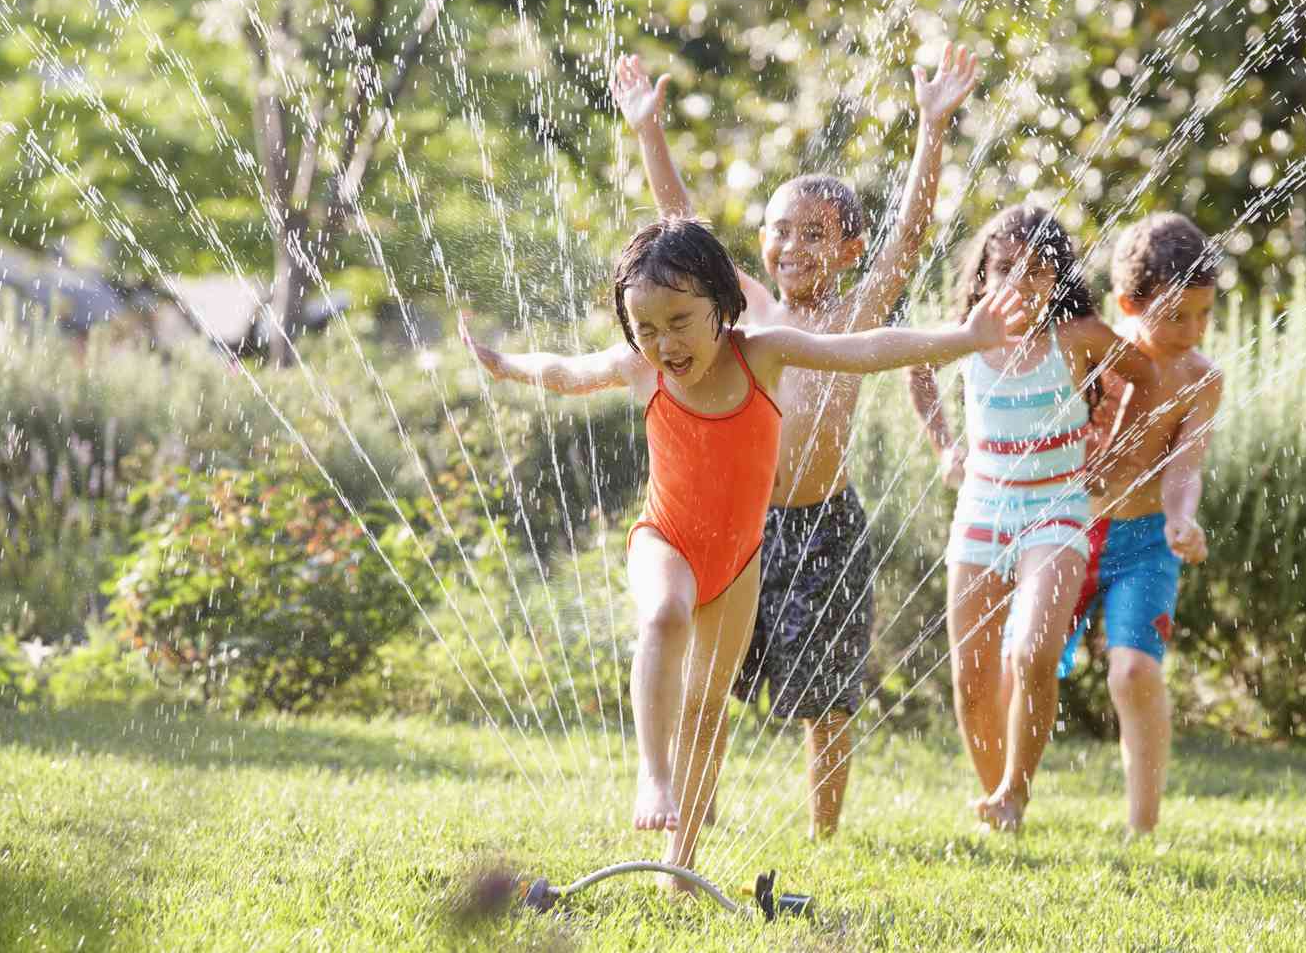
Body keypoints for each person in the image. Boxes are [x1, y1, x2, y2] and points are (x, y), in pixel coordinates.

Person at [461, 217, 1022, 887]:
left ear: (723, 308)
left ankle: (679, 864)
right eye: (645, 328)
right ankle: (652, 775)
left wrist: (965, 338)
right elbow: (564, 371)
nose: (664, 343)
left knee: (705, 708)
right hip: (664, 538)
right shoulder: (641, 370)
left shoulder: (763, 354)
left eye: (679, 321)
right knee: (665, 614)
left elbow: (867, 348)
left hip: (738, 564)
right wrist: (506, 365)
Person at [611, 43, 980, 838]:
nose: (792, 248)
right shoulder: (741, 311)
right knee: (707, 679)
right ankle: (690, 810)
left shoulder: (854, 315)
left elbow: (911, 235)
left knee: (828, 690)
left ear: (850, 249)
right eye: (780, 231)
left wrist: (932, 127)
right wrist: (650, 135)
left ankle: (823, 833)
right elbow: (680, 233)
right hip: (734, 527)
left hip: (825, 522)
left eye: (816, 235)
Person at [908, 203, 1154, 831]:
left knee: (1034, 652)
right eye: (1007, 270)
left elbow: (1146, 375)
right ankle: (996, 800)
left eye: (1038, 272)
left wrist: (1117, 450)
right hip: (983, 508)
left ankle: (1017, 789)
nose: (1021, 284)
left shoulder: (1076, 340)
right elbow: (916, 366)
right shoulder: (968, 336)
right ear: (984, 275)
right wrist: (945, 447)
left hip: (1057, 510)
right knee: (970, 671)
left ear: (1059, 280)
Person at [1057, 212, 1223, 835]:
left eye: (1204, 315)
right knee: (1031, 660)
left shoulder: (1201, 379)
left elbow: (1185, 465)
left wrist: (1182, 519)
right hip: (1070, 531)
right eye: (1178, 315)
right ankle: (1008, 794)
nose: (1194, 330)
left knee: (1134, 671)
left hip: (1146, 539)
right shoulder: (1097, 357)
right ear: (1129, 303)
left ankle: (1142, 826)